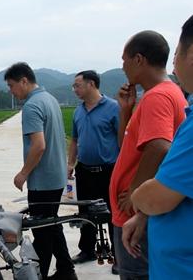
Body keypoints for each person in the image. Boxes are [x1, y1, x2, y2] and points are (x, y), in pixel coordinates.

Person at [108, 30, 187, 280]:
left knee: (136, 273)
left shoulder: (158, 97)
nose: (123, 67)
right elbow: (128, 147)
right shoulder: (159, 95)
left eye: (125, 60)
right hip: (134, 211)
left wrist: (134, 191)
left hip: (135, 213)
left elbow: (160, 147)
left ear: (139, 59)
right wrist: (125, 111)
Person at [4, 62, 76, 280]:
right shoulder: (50, 99)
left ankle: (39, 275)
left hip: (43, 180)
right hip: (56, 175)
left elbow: (39, 145)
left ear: (24, 81)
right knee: (51, 225)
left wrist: (23, 173)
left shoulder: (32, 106)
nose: (11, 91)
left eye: (12, 85)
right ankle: (66, 270)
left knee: (41, 231)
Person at [67, 70, 120, 265]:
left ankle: (118, 256)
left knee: (114, 213)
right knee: (86, 213)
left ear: (91, 84)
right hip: (84, 170)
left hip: (109, 170)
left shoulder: (113, 108)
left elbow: (122, 139)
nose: (75, 89)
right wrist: (70, 163)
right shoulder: (78, 111)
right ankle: (87, 250)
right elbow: (74, 140)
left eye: (77, 85)